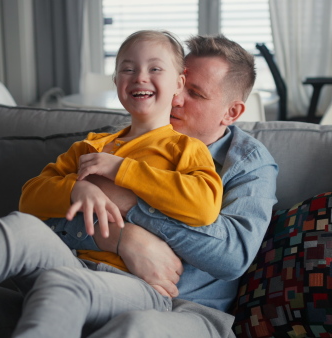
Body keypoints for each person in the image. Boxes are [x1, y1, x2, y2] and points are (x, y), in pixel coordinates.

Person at [0, 34, 278, 337]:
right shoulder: (108, 143)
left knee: (132, 328)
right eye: (181, 85)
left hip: (186, 305)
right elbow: (45, 213)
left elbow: (230, 256)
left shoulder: (246, 162)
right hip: (88, 272)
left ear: (232, 112)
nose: (177, 100)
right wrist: (120, 236)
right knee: (3, 254)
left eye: (195, 93)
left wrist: (129, 205)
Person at [19, 29, 222, 275]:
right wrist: (76, 189)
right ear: (116, 81)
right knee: (8, 231)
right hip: (66, 262)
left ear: (178, 84)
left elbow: (204, 207)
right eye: (128, 69)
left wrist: (119, 168)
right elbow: (28, 199)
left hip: (125, 278)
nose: (140, 77)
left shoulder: (186, 148)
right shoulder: (89, 147)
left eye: (155, 69)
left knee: (61, 290)